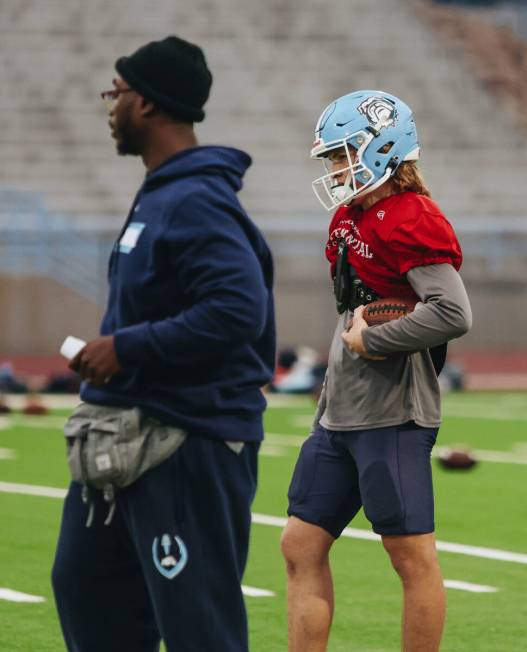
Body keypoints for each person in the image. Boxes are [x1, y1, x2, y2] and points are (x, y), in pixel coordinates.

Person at [51, 35, 276, 652]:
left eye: (117, 91)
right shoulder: (164, 191)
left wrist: (123, 348)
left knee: (197, 625)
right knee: (86, 590)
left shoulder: (195, 199)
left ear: (146, 104)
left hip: (187, 442)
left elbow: (237, 310)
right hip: (128, 433)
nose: (110, 104)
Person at [280, 90, 472, 652]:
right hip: (341, 407)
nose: (335, 169)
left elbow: (454, 312)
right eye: (331, 158)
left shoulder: (413, 216)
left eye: (342, 155)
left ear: (383, 148)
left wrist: (377, 339)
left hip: (394, 409)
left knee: (409, 554)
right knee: (300, 543)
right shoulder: (349, 216)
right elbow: (355, 305)